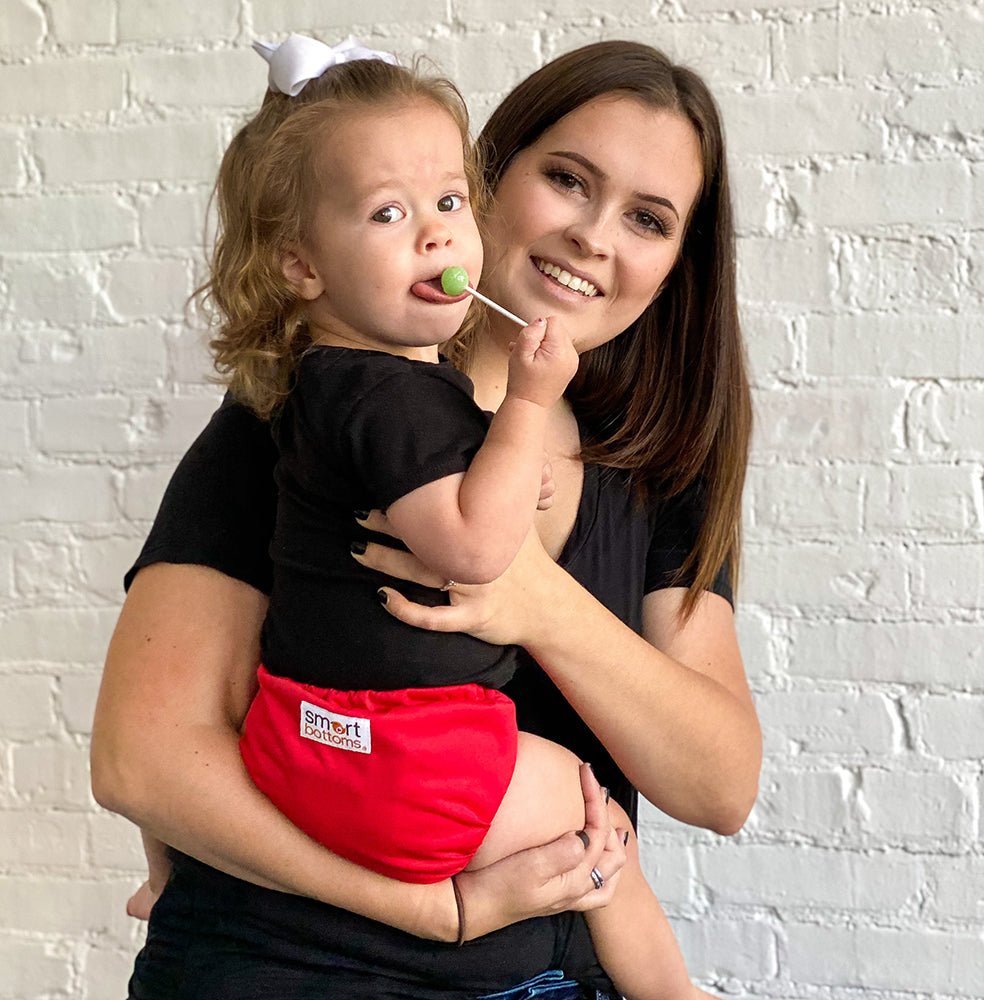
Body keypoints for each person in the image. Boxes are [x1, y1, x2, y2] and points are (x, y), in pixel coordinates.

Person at [92, 36, 761, 1000]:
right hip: (291, 974)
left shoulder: (654, 467)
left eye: (648, 219)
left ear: (673, 266)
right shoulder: (306, 410)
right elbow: (141, 761)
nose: (593, 236)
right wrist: (437, 910)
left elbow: (720, 786)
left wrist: (534, 602)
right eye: (568, 180)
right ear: (489, 178)